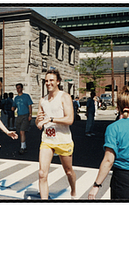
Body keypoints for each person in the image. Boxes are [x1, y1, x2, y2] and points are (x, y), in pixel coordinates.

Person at [88, 86, 129, 200]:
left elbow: (109, 160)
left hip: (123, 181)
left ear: (117, 106)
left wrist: (96, 185)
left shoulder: (114, 128)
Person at [35, 69, 76, 200]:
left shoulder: (64, 97)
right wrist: (38, 120)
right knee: (42, 173)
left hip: (63, 140)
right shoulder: (43, 100)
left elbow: (70, 119)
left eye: (51, 80)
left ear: (58, 81)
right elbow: (38, 122)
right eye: (46, 81)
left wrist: (51, 119)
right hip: (47, 140)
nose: (48, 83)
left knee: (68, 171)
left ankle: (74, 192)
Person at [11, 83, 33, 154]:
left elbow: (30, 105)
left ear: (22, 88)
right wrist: (12, 108)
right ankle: (24, 145)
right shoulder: (16, 98)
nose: (18, 89)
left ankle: (22, 147)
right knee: (20, 132)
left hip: (25, 115)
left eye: (19, 88)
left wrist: (30, 115)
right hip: (19, 116)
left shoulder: (26, 96)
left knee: (22, 131)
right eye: (17, 88)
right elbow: (14, 106)